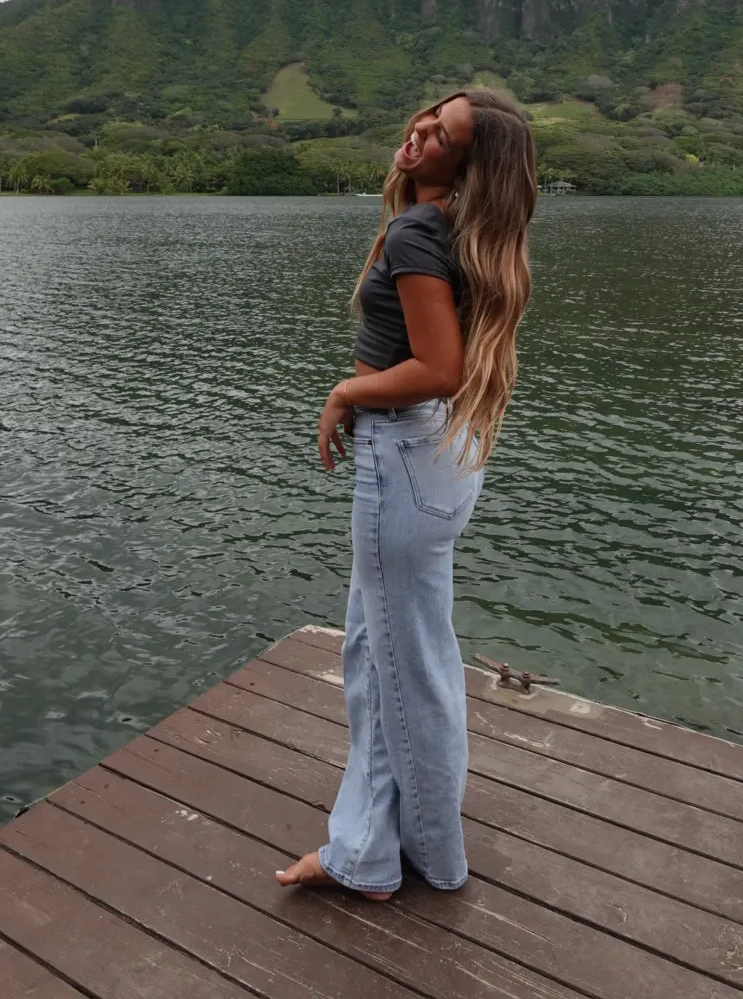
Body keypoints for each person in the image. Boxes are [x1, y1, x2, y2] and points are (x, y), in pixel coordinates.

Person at [276, 86, 537, 900]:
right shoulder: (462, 232)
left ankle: (386, 857)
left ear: (466, 166)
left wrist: (345, 394)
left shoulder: (419, 230)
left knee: (396, 663)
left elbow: (438, 368)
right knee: (390, 653)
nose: (418, 134)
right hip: (442, 454)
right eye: (425, 119)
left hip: (405, 452)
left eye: (442, 134)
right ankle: (392, 845)